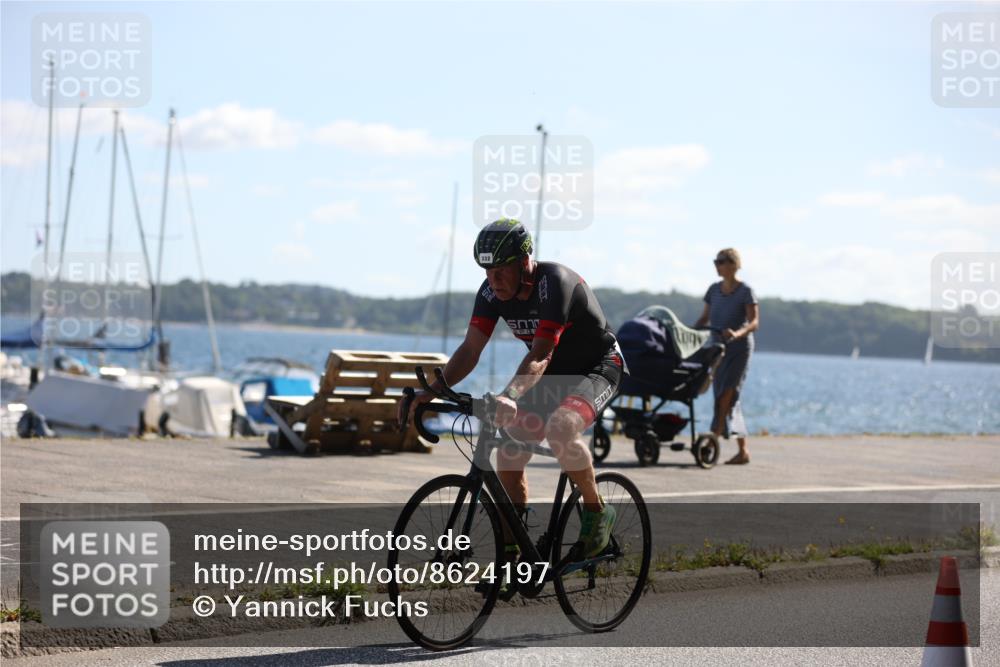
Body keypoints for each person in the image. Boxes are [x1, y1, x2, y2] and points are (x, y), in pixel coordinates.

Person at [400, 218, 624, 558]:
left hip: (598, 367)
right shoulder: (491, 292)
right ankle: (513, 553)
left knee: (562, 427)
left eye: (501, 270)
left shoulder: (555, 284)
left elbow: (541, 352)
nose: (493, 280)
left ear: (524, 263)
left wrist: (509, 395)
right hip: (552, 374)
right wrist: (429, 393)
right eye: (487, 271)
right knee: (509, 453)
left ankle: (597, 512)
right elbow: (469, 351)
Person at [693, 248, 759, 465]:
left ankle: (714, 435)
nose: (717, 265)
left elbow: (754, 322)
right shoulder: (714, 290)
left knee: (727, 394)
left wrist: (737, 333)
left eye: (720, 262)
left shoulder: (745, 291)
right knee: (728, 399)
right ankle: (743, 451)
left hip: (739, 349)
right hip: (717, 348)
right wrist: (687, 333)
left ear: (733, 264)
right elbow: (704, 318)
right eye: (716, 261)